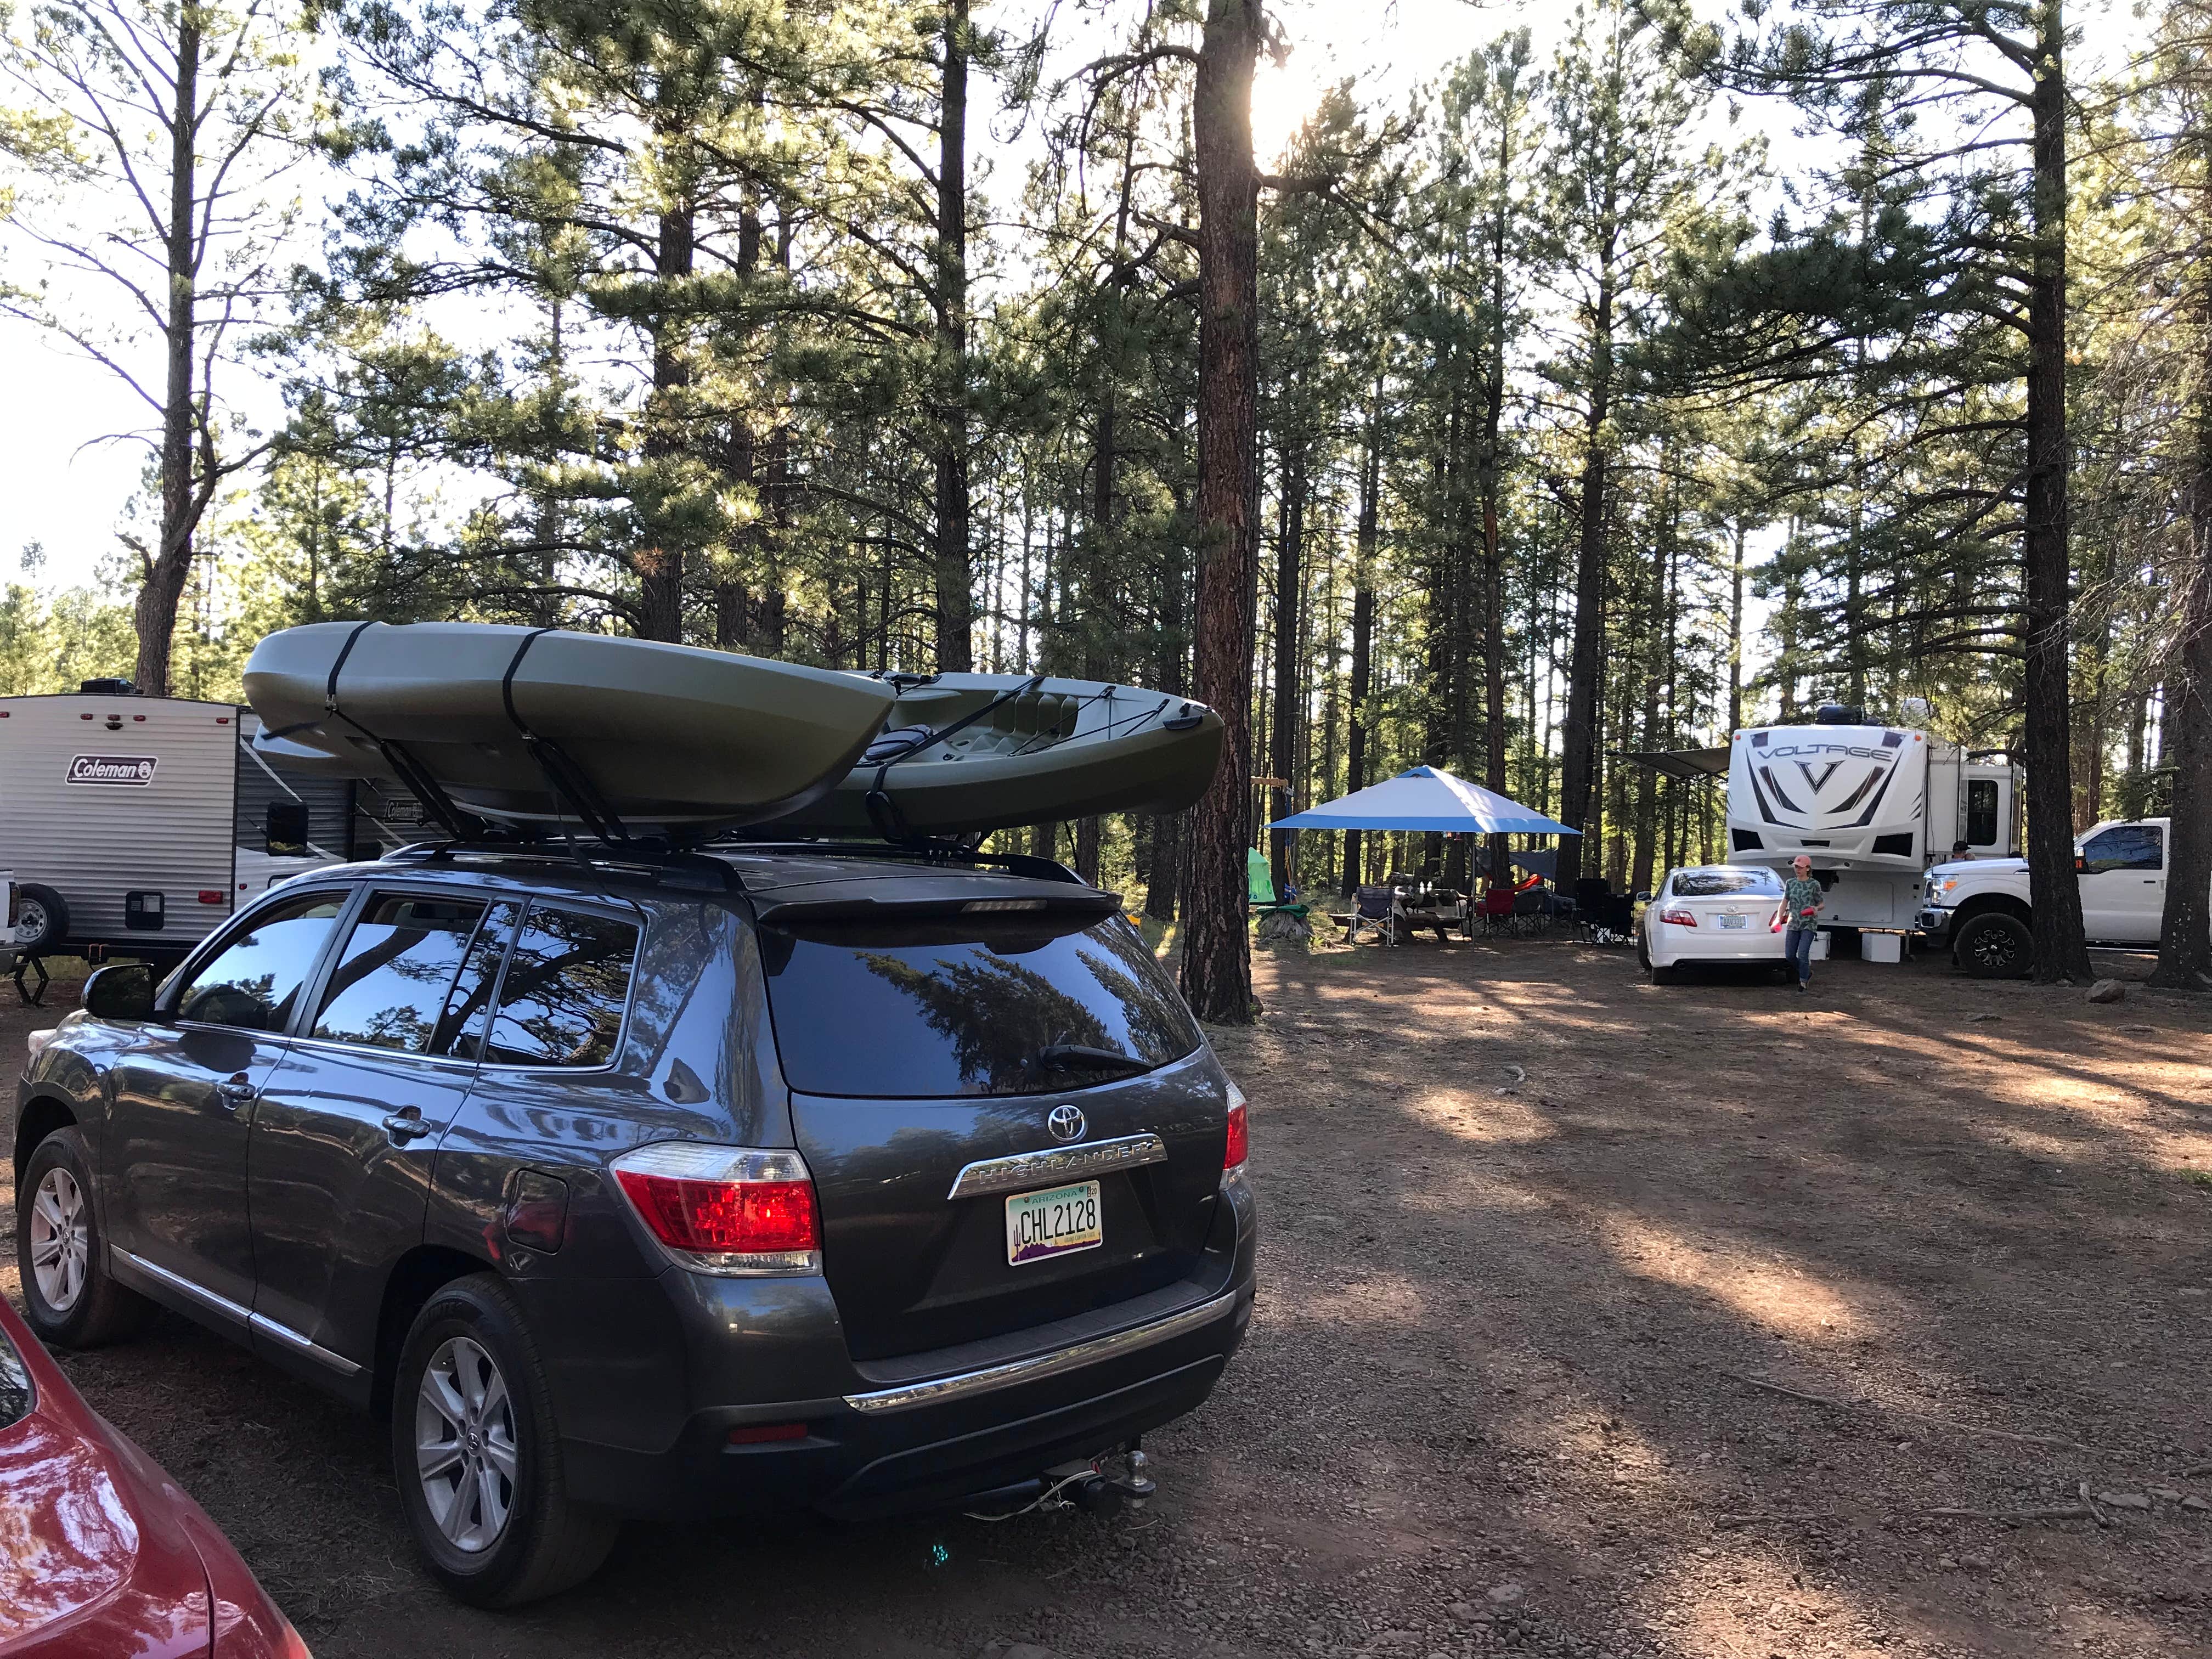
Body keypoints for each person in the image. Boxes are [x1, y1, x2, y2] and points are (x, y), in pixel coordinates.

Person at [1779, 855, 1826, 992]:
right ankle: (1806, 972)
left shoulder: (1814, 884)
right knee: (1790, 955)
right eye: (1796, 867)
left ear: (1808, 868)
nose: (1797, 870)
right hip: (1793, 922)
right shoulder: (1790, 883)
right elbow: (1784, 902)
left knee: (1803, 953)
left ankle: (1803, 982)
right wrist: (1778, 918)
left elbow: (1821, 904)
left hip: (1809, 923)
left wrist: (1816, 909)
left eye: (1800, 867)